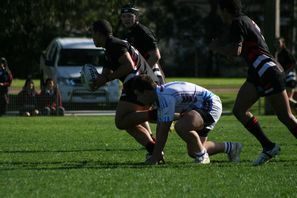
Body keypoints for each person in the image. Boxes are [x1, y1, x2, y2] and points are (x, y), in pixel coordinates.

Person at [209, 0, 297, 165]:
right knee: (239, 110)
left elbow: (236, 51)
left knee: (286, 116)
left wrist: (217, 48)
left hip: (267, 71)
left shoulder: (237, 22)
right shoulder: (245, 20)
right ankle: (268, 146)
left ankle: (268, 146)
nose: (220, 14)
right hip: (258, 72)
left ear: (225, 9)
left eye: (220, 10)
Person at [124, 74, 242, 164]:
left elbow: (163, 129)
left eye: (138, 95)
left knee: (181, 126)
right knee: (193, 151)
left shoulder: (165, 97)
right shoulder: (160, 94)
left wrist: (155, 156)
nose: (138, 99)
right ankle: (231, 147)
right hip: (201, 107)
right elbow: (161, 126)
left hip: (210, 105)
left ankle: (203, 157)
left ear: (147, 92)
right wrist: (156, 153)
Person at [90, 19, 162, 158]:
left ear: (99, 33)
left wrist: (106, 79)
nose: (91, 37)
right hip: (139, 83)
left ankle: (155, 117)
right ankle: (154, 149)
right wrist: (96, 82)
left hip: (138, 83)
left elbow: (128, 65)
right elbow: (106, 73)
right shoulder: (109, 48)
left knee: (122, 121)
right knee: (127, 121)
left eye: (92, 33)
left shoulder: (114, 45)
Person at [120, 4, 165, 84]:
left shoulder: (143, 32)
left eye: (129, 16)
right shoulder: (128, 33)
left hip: (150, 75)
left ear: (136, 17)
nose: (126, 19)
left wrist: (141, 74)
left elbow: (156, 56)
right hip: (138, 75)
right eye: (123, 16)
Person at [275, 37, 297, 112]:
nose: (277, 44)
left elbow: (294, 63)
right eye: (276, 43)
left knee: (287, 99)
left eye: (278, 43)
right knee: (289, 100)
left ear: (283, 43)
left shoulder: (286, 52)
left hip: (290, 77)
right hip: (285, 77)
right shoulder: (279, 53)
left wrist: (287, 72)